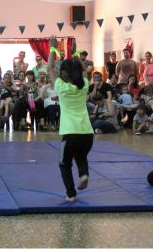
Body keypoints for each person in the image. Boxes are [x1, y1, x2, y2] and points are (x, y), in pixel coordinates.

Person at [47, 36, 93, 202]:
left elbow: (49, 67)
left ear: (64, 74)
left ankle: (71, 194)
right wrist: (75, 52)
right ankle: (84, 174)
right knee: (81, 157)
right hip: (87, 133)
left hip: (71, 133)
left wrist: (52, 48)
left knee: (64, 164)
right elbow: (84, 71)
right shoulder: (85, 86)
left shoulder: (61, 87)